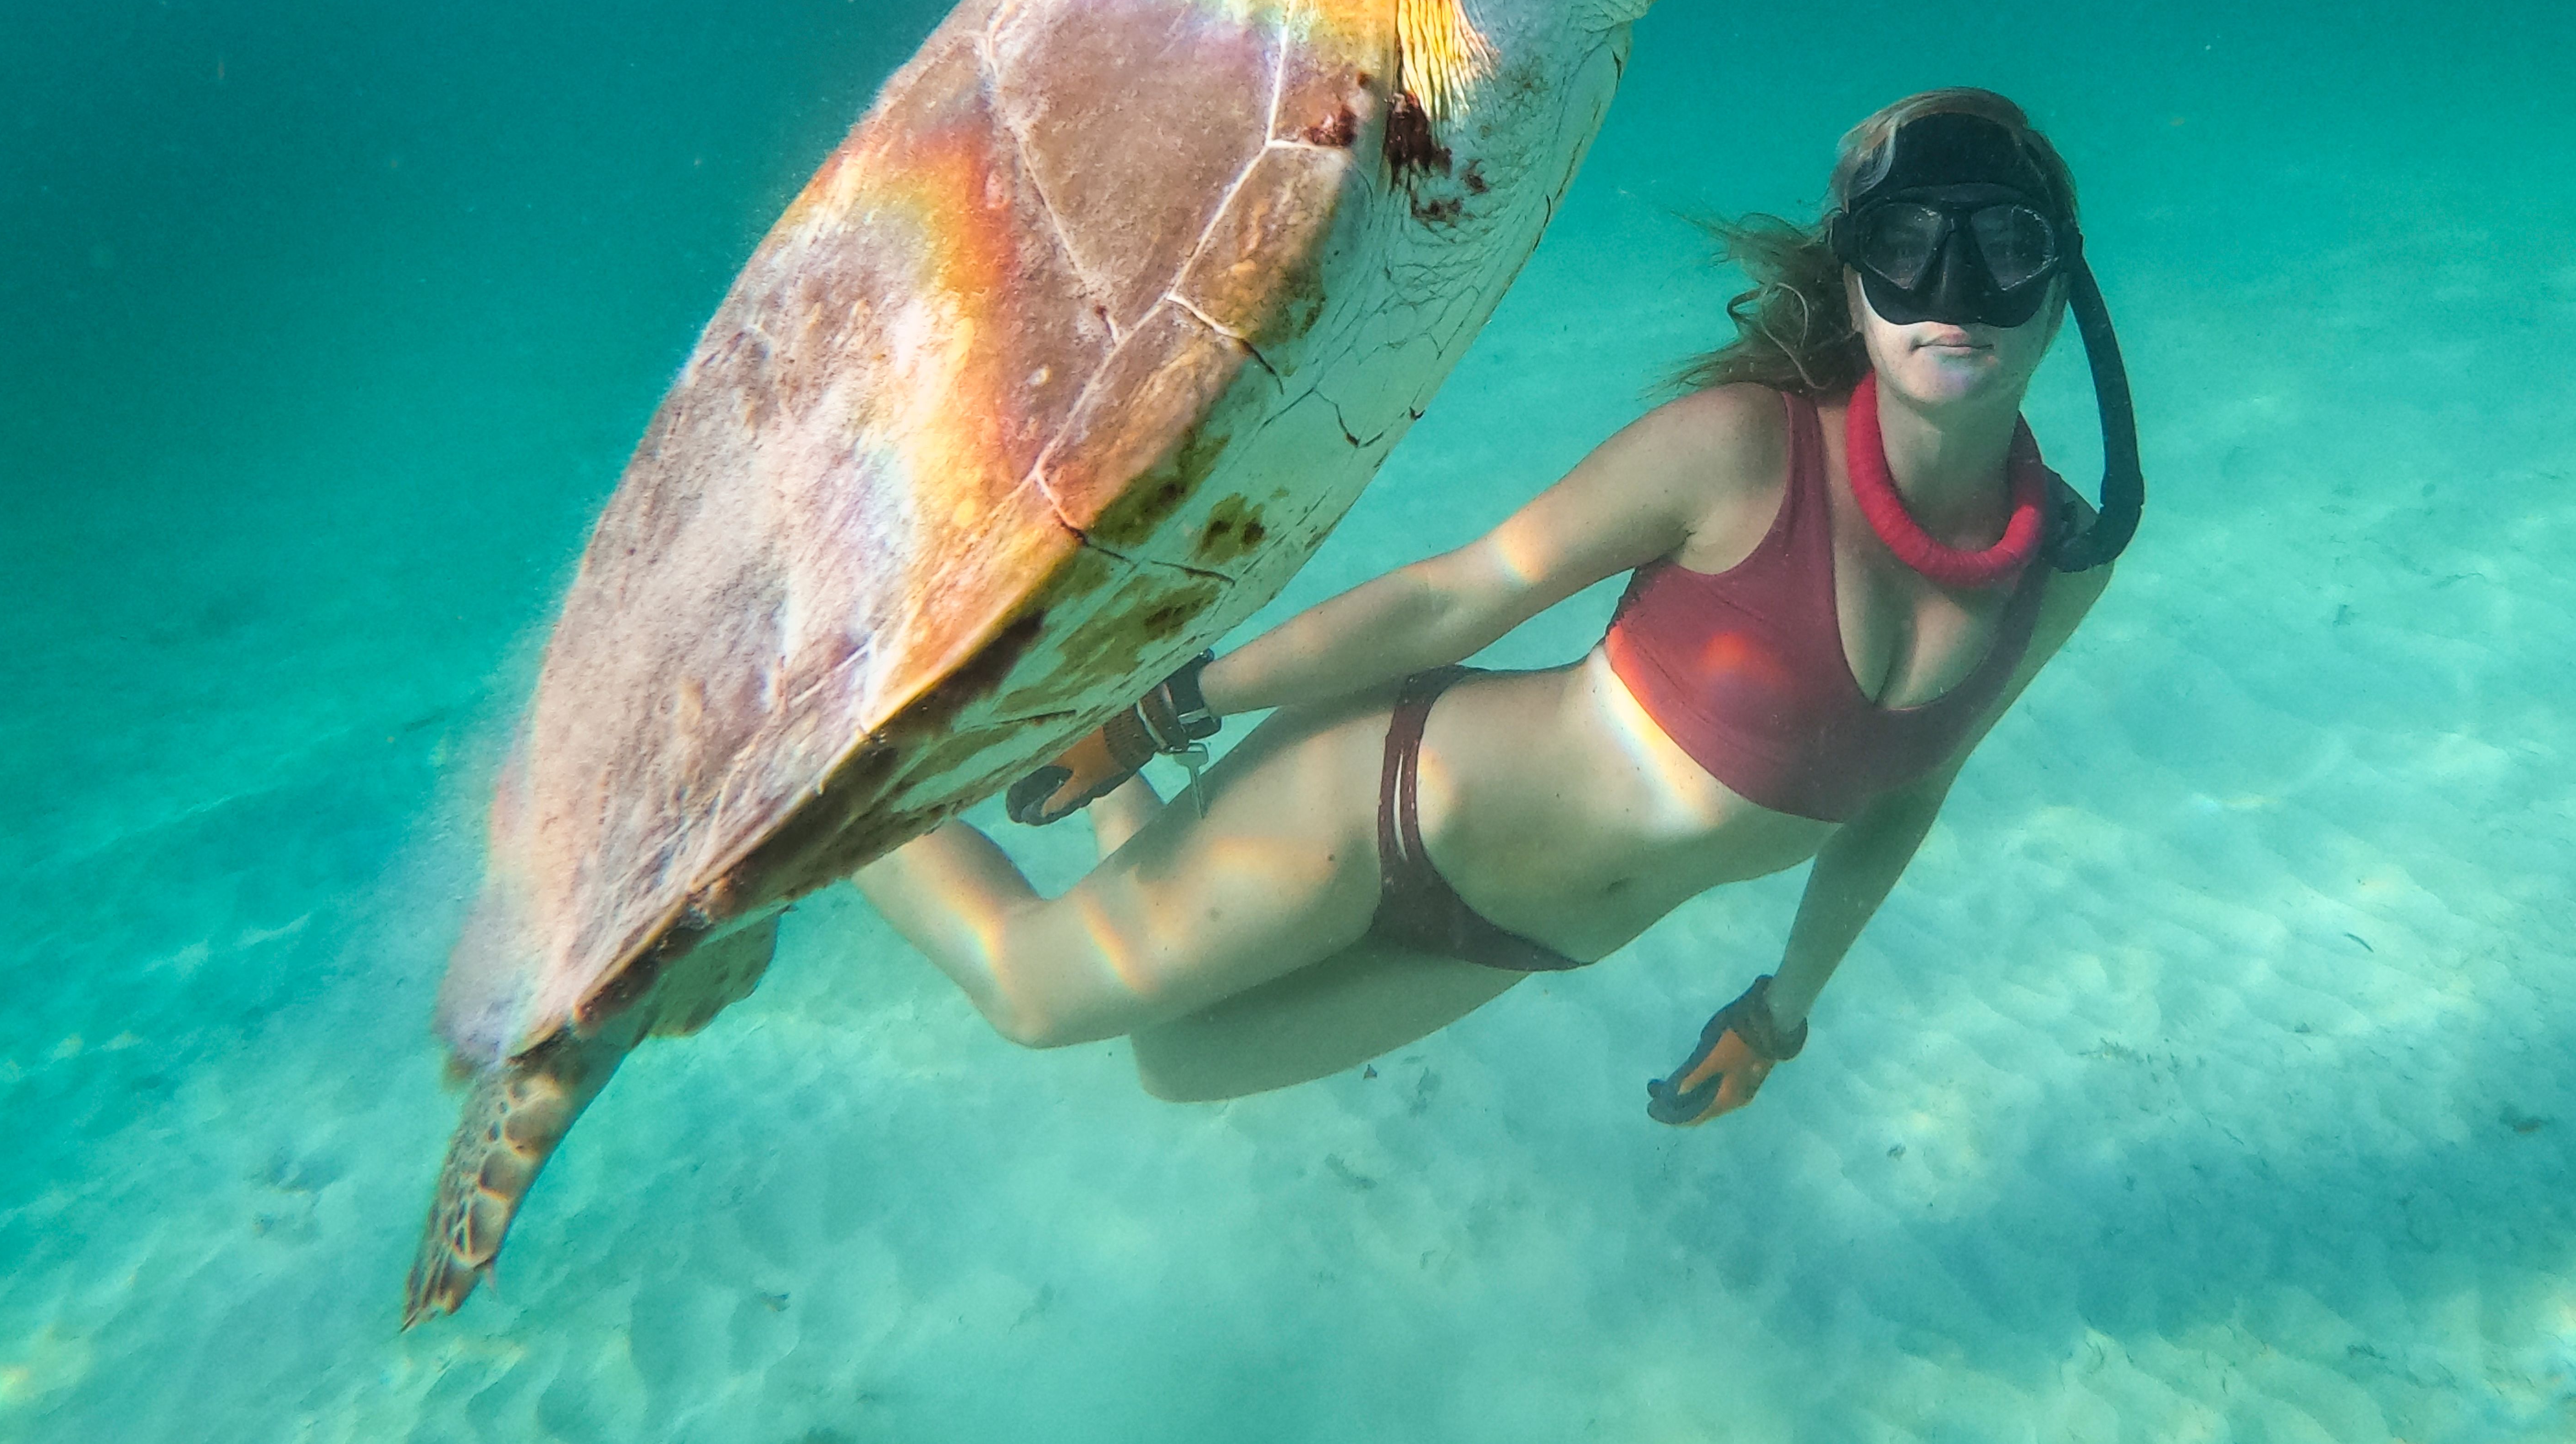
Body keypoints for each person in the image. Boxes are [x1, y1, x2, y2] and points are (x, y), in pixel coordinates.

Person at [851, 88, 2142, 1122]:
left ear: (2064, 285)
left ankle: (1144, 807)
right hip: (1387, 802)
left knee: (1175, 1062)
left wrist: (1779, 1012)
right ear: (1855, 283)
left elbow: (1911, 792)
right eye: (1911, 248)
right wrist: (1172, 706)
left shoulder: (2064, 563)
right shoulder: (1744, 452)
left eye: (2008, 248)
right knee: (1029, 989)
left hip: (1518, 939)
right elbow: (1459, 594)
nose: (1955, 295)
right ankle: (794, 792)